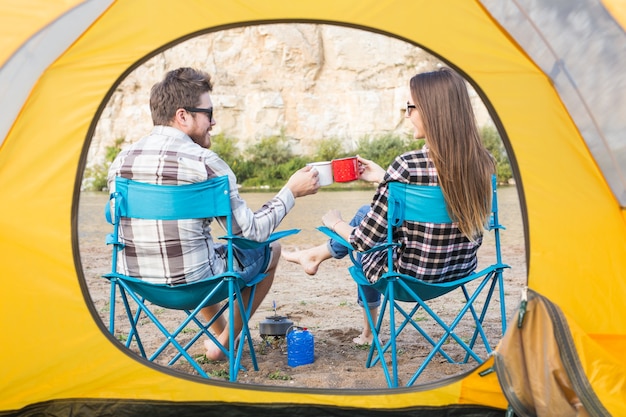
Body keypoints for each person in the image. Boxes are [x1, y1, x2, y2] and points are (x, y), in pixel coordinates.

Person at [107, 67, 320, 361]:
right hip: (196, 283)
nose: (214, 121)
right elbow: (251, 233)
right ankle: (225, 342)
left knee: (198, 248)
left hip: (136, 281)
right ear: (183, 116)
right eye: (208, 113)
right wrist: (290, 192)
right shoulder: (206, 163)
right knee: (270, 248)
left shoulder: (120, 164)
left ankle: (219, 339)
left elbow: (113, 217)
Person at [283, 67, 495, 345]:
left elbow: (363, 241)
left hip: (408, 278)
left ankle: (367, 329)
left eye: (411, 107)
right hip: (459, 271)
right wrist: (386, 180)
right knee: (368, 215)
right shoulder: (485, 162)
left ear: (432, 109)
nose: (407, 115)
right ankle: (315, 257)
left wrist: (333, 222)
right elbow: (444, 188)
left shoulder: (407, 165)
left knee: (361, 220)